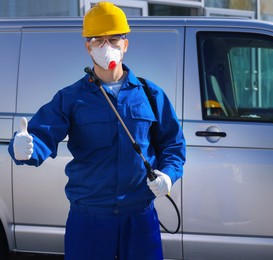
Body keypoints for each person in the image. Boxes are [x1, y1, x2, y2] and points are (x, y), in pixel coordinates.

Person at [8, 2, 186, 259]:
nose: (107, 47)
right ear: (87, 46)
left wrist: (168, 175)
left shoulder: (151, 94)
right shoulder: (70, 98)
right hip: (88, 219)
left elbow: (173, 145)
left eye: (113, 39)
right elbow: (41, 136)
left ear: (125, 44)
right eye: (98, 40)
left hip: (139, 216)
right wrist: (24, 147)